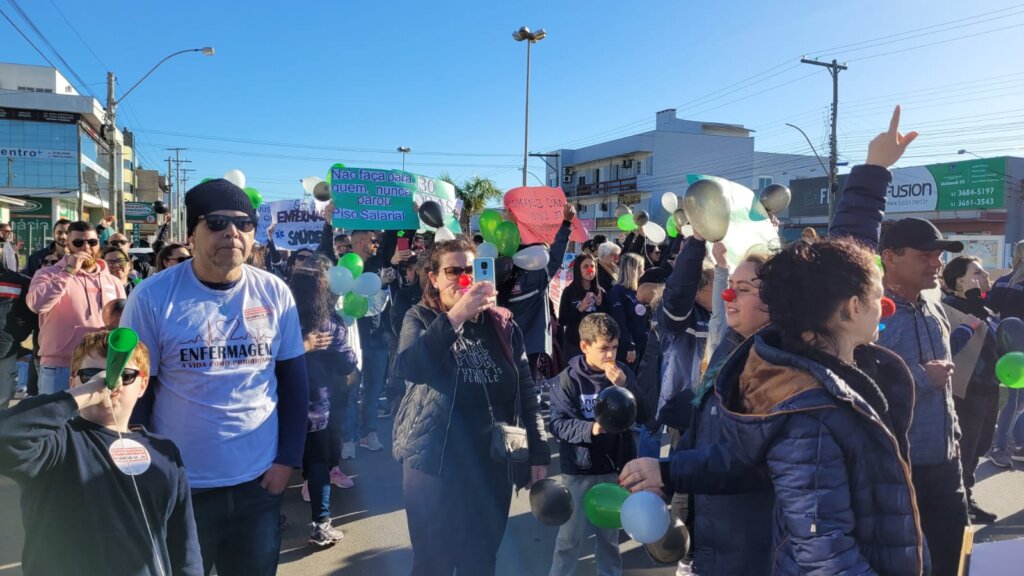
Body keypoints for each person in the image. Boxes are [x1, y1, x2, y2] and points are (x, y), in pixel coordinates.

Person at [122, 178, 308, 576]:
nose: (232, 233)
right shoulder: (153, 297)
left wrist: (287, 460)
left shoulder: (275, 293)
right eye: (218, 222)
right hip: (183, 486)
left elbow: (293, 381)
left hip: (259, 481)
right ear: (191, 233)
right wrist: (143, 468)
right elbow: (132, 392)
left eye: (244, 224)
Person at [717, 238, 922, 574]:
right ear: (853, 306)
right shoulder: (810, 412)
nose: (884, 305)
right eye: (877, 294)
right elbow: (826, 554)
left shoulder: (846, 377)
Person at [392, 238, 549, 576]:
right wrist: (456, 316)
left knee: (480, 562)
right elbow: (411, 367)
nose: (463, 278)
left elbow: (525, 388)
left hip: (491, 466)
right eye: (452, 271)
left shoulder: (503, 324)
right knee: (434, 564)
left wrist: (539, 452)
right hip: (435, 465)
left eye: (471, 269)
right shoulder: (419, 317)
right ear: (433, 277)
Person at [622, 248, 774, 576]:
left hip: (748, 543)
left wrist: (668, 472)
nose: (728, 293)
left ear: (777, 298)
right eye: (728, 283)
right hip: (714, 527)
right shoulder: (733, 344)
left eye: (743, 288)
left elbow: (750, 458)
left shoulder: (776, 365)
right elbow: (702, 426)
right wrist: (669, 474)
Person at [0, 331, 203, 575]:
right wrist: (86, 394)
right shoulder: (54, 444)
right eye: (90, 374)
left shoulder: (163, 453)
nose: (110, 384)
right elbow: (7, 434)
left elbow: (184, 545)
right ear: (73, 381)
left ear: (143, 384)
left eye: (125, 376)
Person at [877, 217, 969, 576]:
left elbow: (943, 387)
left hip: (946, 466)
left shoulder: (933, 309)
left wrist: (955, 437)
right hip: (900, 470)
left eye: (939, 256)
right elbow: (856, 387)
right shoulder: (869, 313)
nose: (936, 264)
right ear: (890, 257)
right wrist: (920, 377)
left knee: (957, 560)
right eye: (925, 256)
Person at [548, 313, 645, 576]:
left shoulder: (621, 372)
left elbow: (643, 411)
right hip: (580, 469)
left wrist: (627, 387)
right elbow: (558, 424)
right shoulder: (567, 379)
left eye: (614, 347)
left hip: (614, 466)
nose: (610, 356)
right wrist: (593, 428)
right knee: (569, 540)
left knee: (609, 539)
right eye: (603, 348)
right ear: (584, 346)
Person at [289, 262, 358, 547]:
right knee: (318, 462)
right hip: (316, 403)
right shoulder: (330, 323)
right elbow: (348, 362)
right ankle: (321, 524)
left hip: (279, 403)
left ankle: (270, 517)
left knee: (271, 462)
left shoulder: (281, 319)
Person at [27, 221, 125, 394]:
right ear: (67, 244)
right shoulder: (47, 274)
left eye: (92, 242)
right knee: (55, 421)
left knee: (95, 421)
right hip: (60, 366)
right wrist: (68, 271)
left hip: (100, 365)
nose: (86, 247)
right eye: (78, 243)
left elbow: (121, 320)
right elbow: (37, 304)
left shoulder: (112, 280)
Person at [940, 256, 1000, 523]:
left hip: (989, 384)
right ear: (959, 280)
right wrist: (975, 303)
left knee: (981, 444)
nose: (985, 275)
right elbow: (954, 344)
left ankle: (967, 495)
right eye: (977, 271)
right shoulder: (947, 307)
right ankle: (958, 503)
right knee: (966, 445)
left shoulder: (984, 306)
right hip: (967, 389)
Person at [497, 203, 574, 380]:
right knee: (525, 391)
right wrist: (566, 224)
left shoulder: (499, 272)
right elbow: (554, 257)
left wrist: (511, 225)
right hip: (527, 346)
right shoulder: (536, 277)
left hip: (504, 343)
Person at [990, 240, 1024, 466]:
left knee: (1017, 398)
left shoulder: (1002, 282)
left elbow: (991, 311)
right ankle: (1000, 447)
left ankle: (1017, 444)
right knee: (1016, 399)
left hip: (1005, 346)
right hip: (1020, 346)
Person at [558, 253, 606, 361]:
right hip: (574, 344)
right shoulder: (569, 292)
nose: (590, 269)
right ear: (578, 270)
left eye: (592, 266)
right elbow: (563, 320)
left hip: (595, 344)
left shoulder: (601, 292)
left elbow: (607, 319)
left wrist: (599, 305)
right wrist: (580, 309)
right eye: (585, 266)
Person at [608, 253, 647, 370]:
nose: (644, 271)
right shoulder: (618, 291)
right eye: (641, 268)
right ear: (633, 270)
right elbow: (619, 322)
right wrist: (630, 345)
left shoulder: (637, 291)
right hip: (628, 349)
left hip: (642, 345)